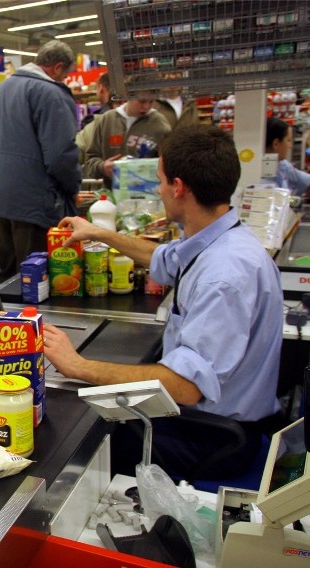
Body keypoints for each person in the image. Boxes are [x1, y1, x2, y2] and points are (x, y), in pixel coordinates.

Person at [44, 125, 283, 479]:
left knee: (80, 439)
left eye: (160, 180)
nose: (158, 190)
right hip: (217, 421)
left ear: (178, 187)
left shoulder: (224, 276)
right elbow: (166, 259)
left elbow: (186, 387)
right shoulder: (222, 239)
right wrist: (97, 232)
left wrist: (77, 366)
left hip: (214, 437)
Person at [0, 40, 81, 282]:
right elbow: (60, 155)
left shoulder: (2, 89)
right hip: (30, 202)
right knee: (34, 279)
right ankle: (34, 321)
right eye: (66, 74)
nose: (65, 79)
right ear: (57, 67)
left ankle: (7, 321)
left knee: (8, 276)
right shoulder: (51, 93)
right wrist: (73, 188)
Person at [83, 88, 171, 188]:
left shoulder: (160, 124)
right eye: (142, 101)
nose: (146, 107)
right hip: (112, 195)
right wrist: (102, 167)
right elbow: (90, 160)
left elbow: (170, 164)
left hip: (148, 196)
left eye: (151, 102)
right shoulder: (106, 120)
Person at [265, 117, 310, 197]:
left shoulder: (283, 165)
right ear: (276, 143)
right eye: (288, 140)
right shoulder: (257, 173)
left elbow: (305, 180)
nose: (290, 146)